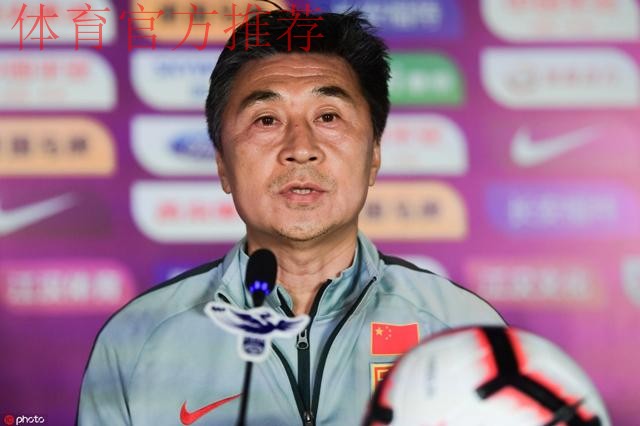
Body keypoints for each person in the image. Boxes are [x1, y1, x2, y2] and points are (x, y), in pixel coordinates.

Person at [77, 8, 505, 426]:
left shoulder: (463, 329)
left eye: (328, 117)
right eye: (266, 120)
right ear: (223, 164)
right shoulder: (136, 340)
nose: (300, 148)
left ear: (374, 154)